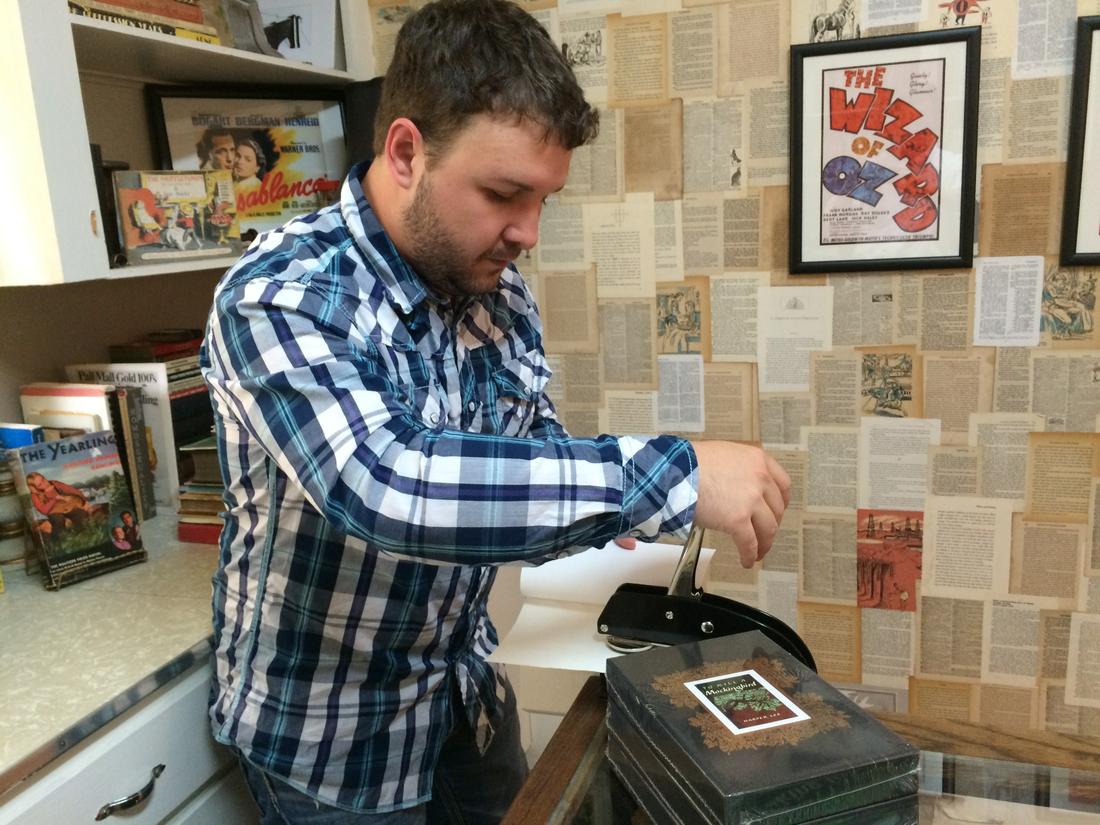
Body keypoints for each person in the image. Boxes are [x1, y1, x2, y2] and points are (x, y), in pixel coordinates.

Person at [200, 1, 790, 823]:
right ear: (406, 152)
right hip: (330, 735)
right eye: (505, 193)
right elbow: (391, 485)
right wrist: (675, 475)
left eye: (545, 198)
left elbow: (525, 436)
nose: (529, 232)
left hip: (462, 689)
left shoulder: (493, 290)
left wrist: (605, 510)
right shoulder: (282, 297)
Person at [26, 472, 89, 536]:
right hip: (54, 512)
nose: (44, 483)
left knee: (80, 514)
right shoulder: (35, 495)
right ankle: (62, 538)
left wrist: (85, 501)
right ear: (36, 488)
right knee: (58, 520)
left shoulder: (55, 483)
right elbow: (44, 510)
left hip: (67, 507)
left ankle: (82, 534)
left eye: (43, 479)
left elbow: (74, 491)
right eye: (40, 485)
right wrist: (55, 499)